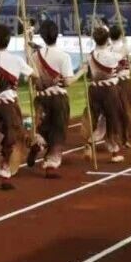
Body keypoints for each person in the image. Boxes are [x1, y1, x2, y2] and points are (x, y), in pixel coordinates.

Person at [25, 19, 81, 176]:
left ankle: (38, 143)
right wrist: (82, 71)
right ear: (57, 35)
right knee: (57, 130)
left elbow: (32, 78)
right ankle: (50, 164)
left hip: (41, 98)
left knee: (43, 126)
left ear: (42, 36)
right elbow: (68, 82)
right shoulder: (63, 56)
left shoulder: (34, 56)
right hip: (58, 99)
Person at [0, 24, 33, 190]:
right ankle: (5, 174)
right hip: (8, 105)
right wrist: (30, 55)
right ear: (8, 41)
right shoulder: (16, 60)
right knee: (12, 137)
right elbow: (33, 74)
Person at [85, 25, 129, 163]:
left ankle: (91, 141)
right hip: (109, 91)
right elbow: (124, 51)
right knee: (112, 118)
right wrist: (126, 41)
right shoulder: (111, 56)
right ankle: (114, 152)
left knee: (100, 118)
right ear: (107, 39)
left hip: (94, 90)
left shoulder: (90, 55)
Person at [109, 23, 131, 131]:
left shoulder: (108, 49)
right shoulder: (124, 47)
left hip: (112, 82)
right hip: (124, 81)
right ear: (121, 35)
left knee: (115, 107)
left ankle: (117, 129)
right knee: (129, 105)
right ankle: (129, 129)